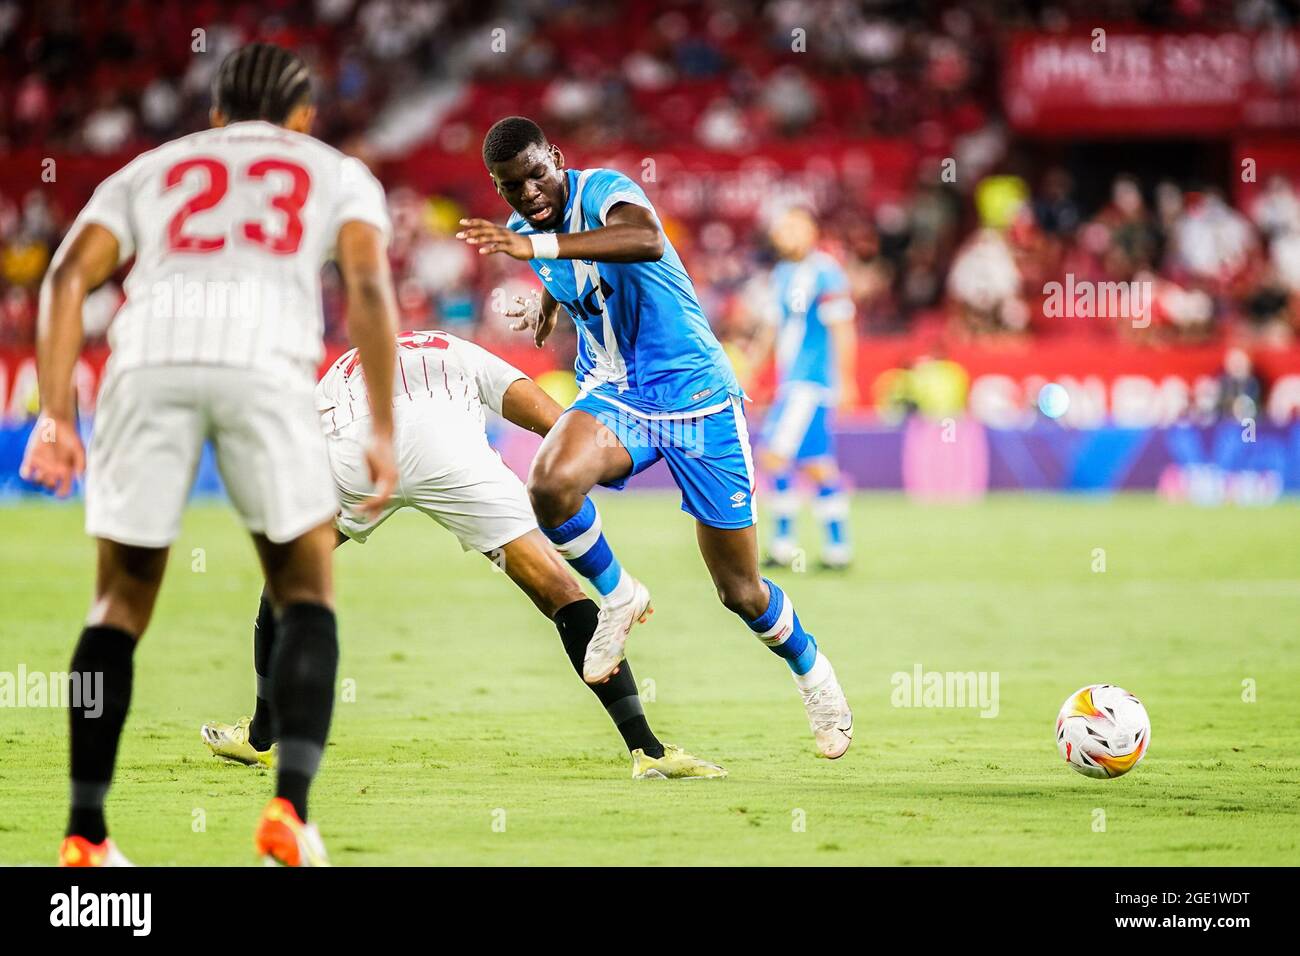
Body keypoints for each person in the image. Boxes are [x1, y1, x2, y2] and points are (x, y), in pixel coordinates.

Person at [20, 43, 399, 867]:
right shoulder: (335, 170)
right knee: (305, 592)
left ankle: (86, 834)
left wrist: (56, 416)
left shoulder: (155, 166)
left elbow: (62, 281)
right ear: (302, 116)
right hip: (264, 364)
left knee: (116, 606)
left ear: (216, 115)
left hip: (145, 361)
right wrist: (382, 424)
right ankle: (289, 815)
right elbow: (367, 287)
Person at [455, 116, 852, 759]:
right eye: (510, 187)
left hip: (698, 399)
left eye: (535, 175)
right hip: (620, 396)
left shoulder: (604, 192)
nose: (527, 194)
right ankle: (618, 596)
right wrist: (547, 307)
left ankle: (816, 677)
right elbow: (583, 282)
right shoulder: (531, 233)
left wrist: (536, 255)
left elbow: (638, 241)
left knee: (740, 592)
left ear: (556, 158)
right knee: (550, 486)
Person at [201, 330, 725, 780]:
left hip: (359, 451)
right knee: (561, 593)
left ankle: (264, 734)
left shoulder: (344, 365)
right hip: (449, 453)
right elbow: (548, 417)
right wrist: (593, 467)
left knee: (286, 581)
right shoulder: (458, 351)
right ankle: (647, 749)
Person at [752, 207, 857, 570]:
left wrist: (845, 379)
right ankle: (838, 549)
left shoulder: (825, 272)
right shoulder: (781, 274)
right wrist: (749, 370)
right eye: (782, 229)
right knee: (815, 464)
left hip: (808, 384)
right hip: (791, 384)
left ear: (811, 231)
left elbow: (842, 326)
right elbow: (770, 329)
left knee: (772, 456)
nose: (786, 235)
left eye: (793, 227)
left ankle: (782, 545)